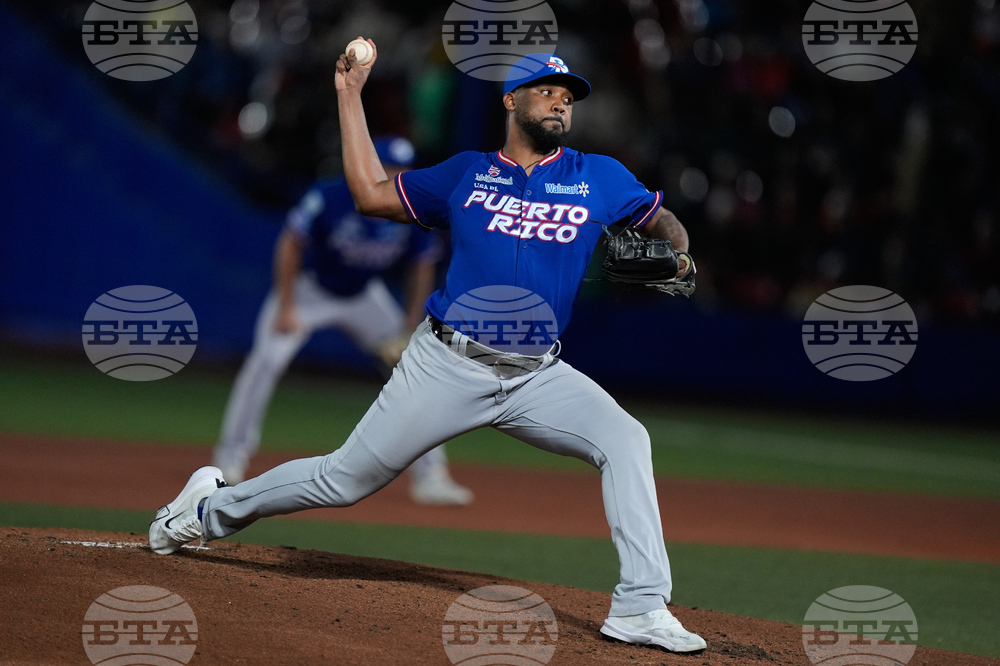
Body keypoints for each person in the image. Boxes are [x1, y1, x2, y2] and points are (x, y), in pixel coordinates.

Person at [149, 46, 707, 654]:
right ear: (511, 100)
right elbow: (368, 192)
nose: (560, 104)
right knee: (343, 480)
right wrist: (349, 94)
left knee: (627, 439)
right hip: (447, 364)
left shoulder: (598, 174)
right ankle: (205, 512)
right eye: (547, 91)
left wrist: (678, 253)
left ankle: (640, 607)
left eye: (568, 97)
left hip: (536, 375)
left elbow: (663, 220)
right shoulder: (465, 173)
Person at [212, 136, 473, 505]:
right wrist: (287, 306)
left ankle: (430, 475)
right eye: (391, 167)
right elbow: (290, 243)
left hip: (364, 296)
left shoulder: (412, 204)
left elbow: (423, 265)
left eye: (404, 168)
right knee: (265, 362)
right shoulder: (332, 194)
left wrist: (408, 327)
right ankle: (230, 459)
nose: (399, 174)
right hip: (309, 292)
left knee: (419, 365)